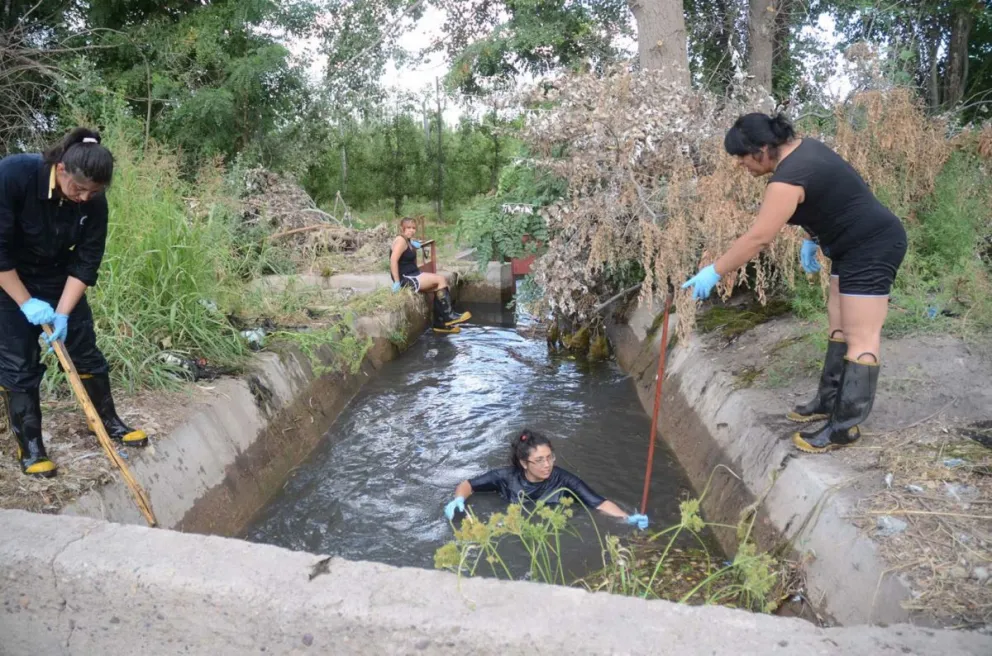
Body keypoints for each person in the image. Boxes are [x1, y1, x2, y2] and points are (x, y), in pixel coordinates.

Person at [681, 113, 907, 454]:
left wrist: (715, 270)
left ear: (762, 149)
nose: (740, 164)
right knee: (839, 326)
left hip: (873, 246)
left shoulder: (788, 178)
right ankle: (828, 402)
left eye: (742, 157)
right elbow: (830, 198)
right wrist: (812, 237)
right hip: (849, 246)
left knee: (862, 336)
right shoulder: (805, 151)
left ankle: (844, 428)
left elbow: (759, 238)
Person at [0, 128, 148, 478]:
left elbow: (86, 260)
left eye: (93, 192)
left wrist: (63, 314)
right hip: (9, 276)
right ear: (61, 169)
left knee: (85, 350)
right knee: (18, 362)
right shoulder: (14, 175)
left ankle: (108, 422)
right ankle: (31, 447)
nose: (84, 197)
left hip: (56, 273)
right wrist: (26, 303)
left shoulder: (94, 201)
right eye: (78, 189)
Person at [443, 429, 649, 529]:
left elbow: (599, 503)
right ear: (524, 463)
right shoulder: (505, 477)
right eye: (539, 460)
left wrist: (627, 518)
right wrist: (459, 499)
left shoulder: (564, 481)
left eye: (550, 457)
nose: (547, 464)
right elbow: (468, 485)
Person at [389, 217, 470, 334]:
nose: (411, 230)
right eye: (408, 228)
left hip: (413, 274)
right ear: (402, 228)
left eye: (413, 228)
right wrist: (397, 282)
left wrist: (412, 244)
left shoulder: (407, 240)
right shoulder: (400, 241)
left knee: (439, 286)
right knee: (440, 279)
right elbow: (393, 260)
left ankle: (440, 323)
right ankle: (448, 316)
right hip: (406, 278)